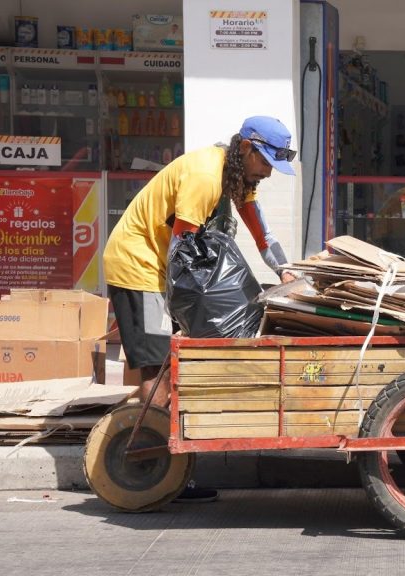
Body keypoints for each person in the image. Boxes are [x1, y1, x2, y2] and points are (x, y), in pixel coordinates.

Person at [103, 116, 299, 501]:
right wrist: (190, 316)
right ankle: (155, 468)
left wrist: (284, 270)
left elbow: (260, 228)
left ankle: (168, 463)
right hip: (139, 269)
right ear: (246, 149)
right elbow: (184, 253)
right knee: (157, 364)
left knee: (170, 364)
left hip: (162, 271)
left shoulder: (238, 176)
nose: (268, 174)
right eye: (265, 164)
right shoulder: (205, 177)